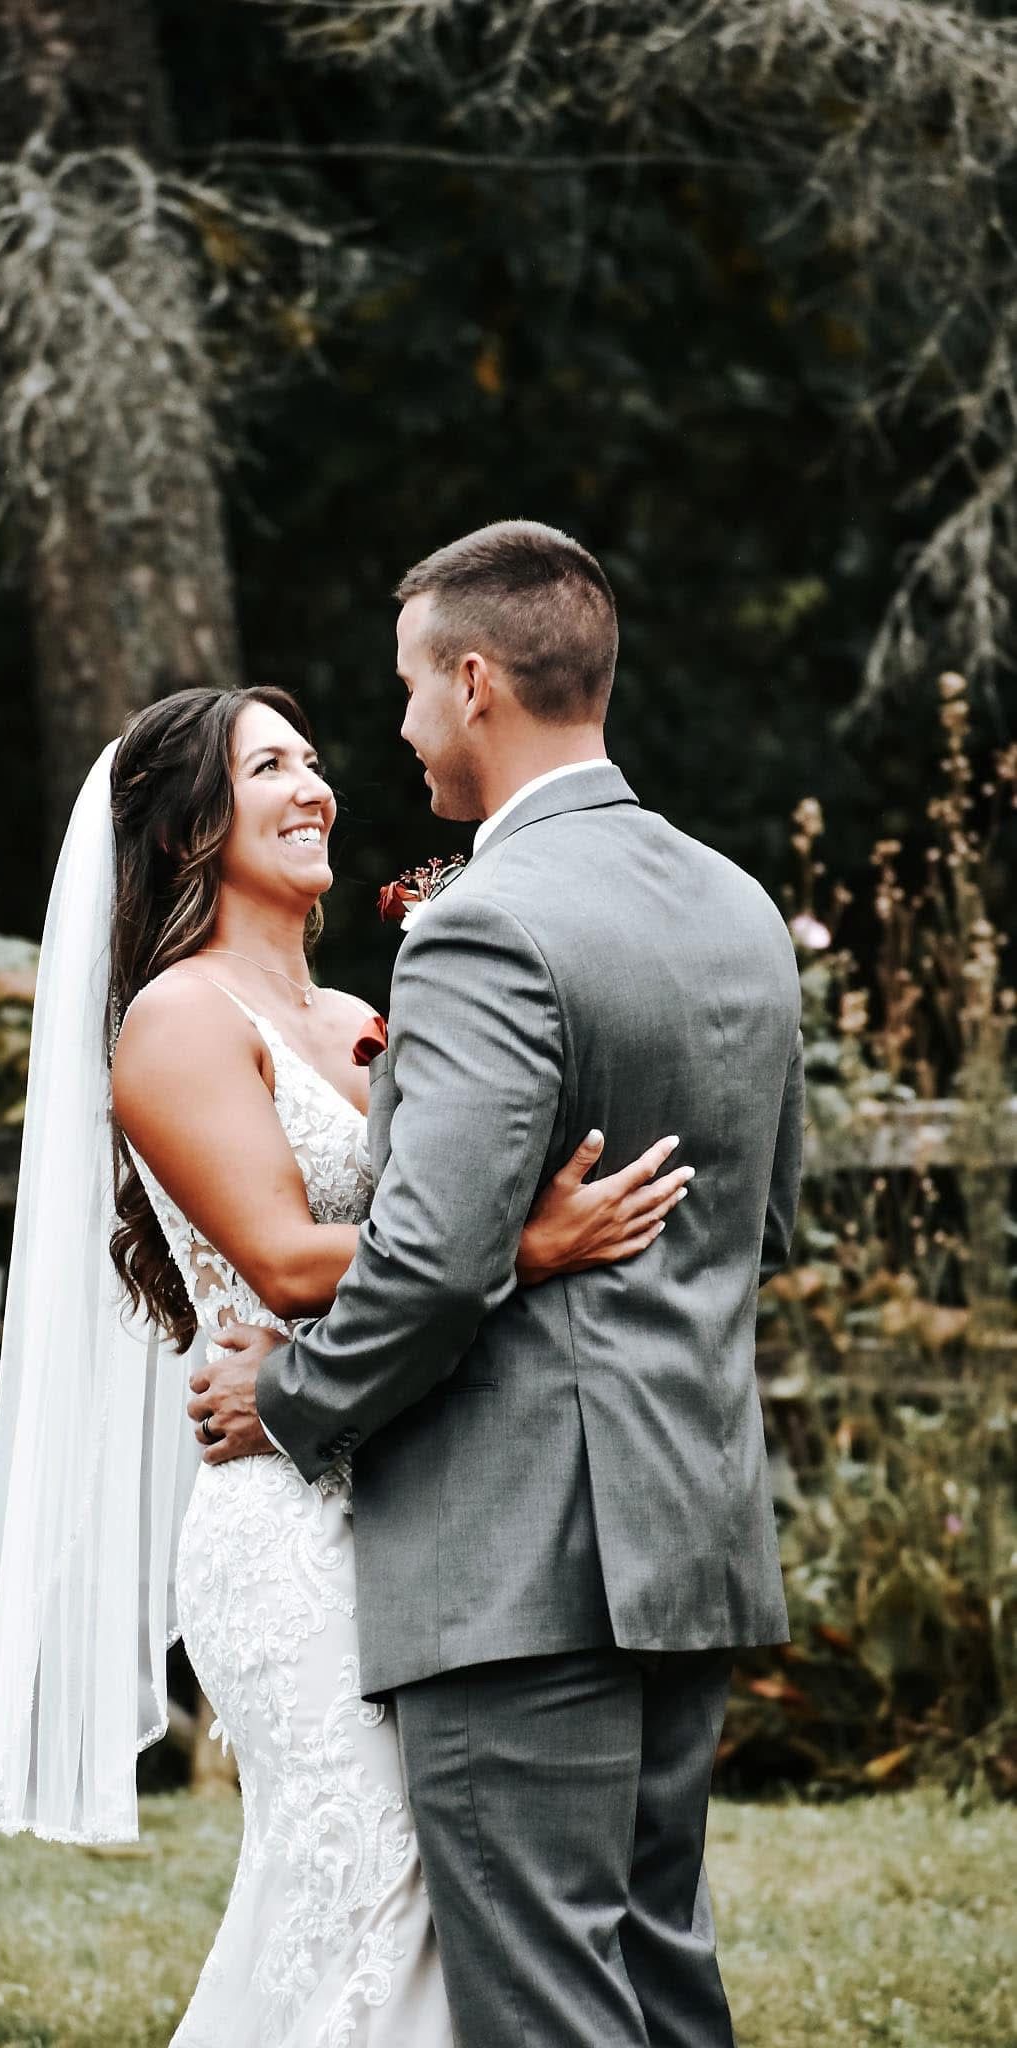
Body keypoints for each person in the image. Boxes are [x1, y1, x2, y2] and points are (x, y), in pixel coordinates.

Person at [0, 674, 689, 2045]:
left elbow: (437, 1213)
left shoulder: (364, 1012)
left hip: (412, 1489)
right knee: (373, 1876)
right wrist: (530, 1247)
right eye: (269, 770)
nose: (315, 788)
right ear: (188, 827)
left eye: (311, 762)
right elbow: (289, 1262)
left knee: (446, 1876)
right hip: (287, 1523)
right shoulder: (179, 1019)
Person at [193, 521, 805, 2047]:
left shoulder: (484, 922)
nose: (399, 727)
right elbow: (761, 1224)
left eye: (408, 687)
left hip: (517, 1560)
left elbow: (425, 1261)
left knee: (542, 2003)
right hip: (688, 1526)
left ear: (473, 683)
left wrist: (288, 1400)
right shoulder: (734, 904)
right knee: (657, 1978)